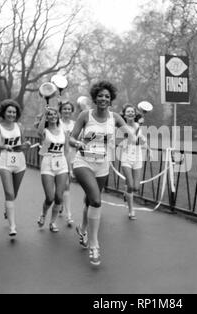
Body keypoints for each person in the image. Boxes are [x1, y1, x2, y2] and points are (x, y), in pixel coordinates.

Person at [69, 81, 136, 266]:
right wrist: (77, 143)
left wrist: (122, 139)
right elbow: (71, 137)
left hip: (102, 165)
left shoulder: (114, 118)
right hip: (83, 162)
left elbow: (130, 136)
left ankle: (83, 229)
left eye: (107, 96)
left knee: (90, 200)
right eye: (100, 95)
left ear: (111, 99)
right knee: (96, 200)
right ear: (95, 98)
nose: (103, 99)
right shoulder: (85, 115)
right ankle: (94, 245)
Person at [0, 99, 31, 237]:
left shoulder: (19, 126)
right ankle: (12, 226)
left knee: (14, 194)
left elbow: (22, 143)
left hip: (19, 162)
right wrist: (4, 146)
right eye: (9, 111)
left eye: (14, 112)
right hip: (5, 160)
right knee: (9, 193)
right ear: (4, 113)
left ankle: (7, 208)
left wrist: (26, 144)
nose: (11, 114)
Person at [36, 104, 69, 233]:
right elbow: (39, 132)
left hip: (61, 163)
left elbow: (66, 151)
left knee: (59, 197)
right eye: (50, 115)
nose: (53, 116)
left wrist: (69, 168)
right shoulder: (45, 131)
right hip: (48, 162)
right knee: (50, 197)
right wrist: (44, 114)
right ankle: (43, 214)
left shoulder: (63, 131)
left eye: (55, 114)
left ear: (58, 116)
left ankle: (53, 222)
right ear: (47, 117)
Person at [119, 104, 150, 220]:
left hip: (137, 158)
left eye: (132, 111)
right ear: (124, 114)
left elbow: (140, 141)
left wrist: (148, 148)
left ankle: (126, 192)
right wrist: (139, 126)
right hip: (126, 157)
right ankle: (131, 210)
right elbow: (131, 138)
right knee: (130, 186)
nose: (130, 113)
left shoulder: (138, 126)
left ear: (135, 114)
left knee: (136, 187)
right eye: (128, 112)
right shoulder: (122, 126)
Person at [58, 101, 76, 226]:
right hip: (59, 156)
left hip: (72, 155)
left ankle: (62, 204)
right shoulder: (56, 123)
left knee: (67, 184)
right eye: (64, 109)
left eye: (69, 109)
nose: (67, 111)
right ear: (61, 110)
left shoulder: (75, 124)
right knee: (65, 185)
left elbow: (77, 139)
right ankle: (69, 214)